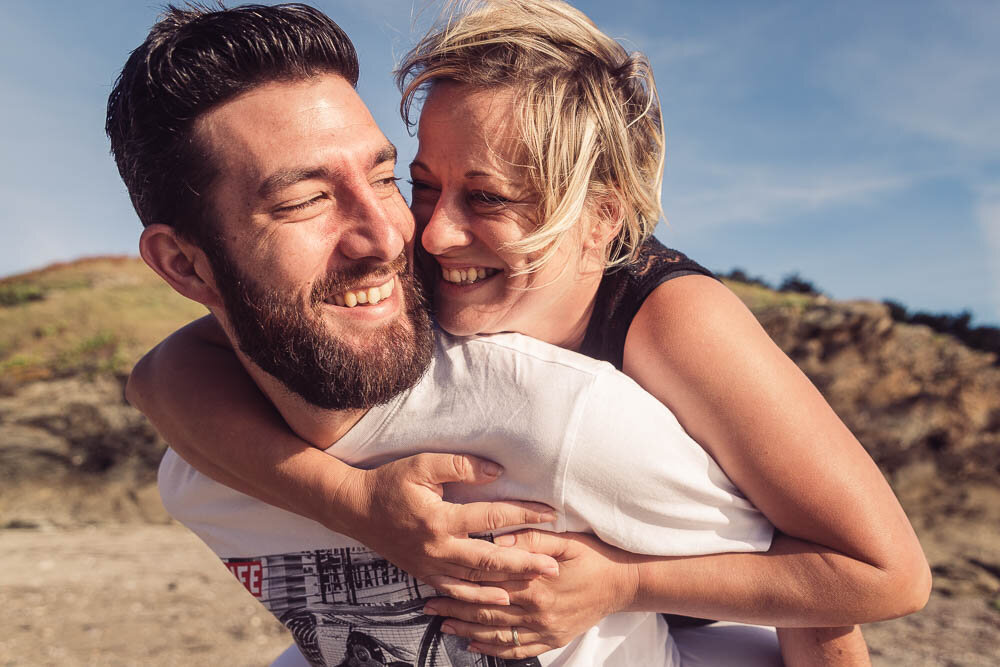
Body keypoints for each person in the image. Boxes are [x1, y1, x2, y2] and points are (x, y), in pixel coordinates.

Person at [124, 1, 930, 664]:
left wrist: (622, 583)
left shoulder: (672, 320)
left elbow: (879, 574)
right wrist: (355, 504)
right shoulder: (416, 280)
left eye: (490, 199)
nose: (430, 235)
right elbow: (164, 376)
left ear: (600, 219)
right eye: (422, 183)